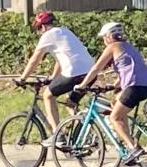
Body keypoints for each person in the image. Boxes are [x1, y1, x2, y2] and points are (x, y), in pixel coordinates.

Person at [76, 20, 147, 165]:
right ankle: (127, 140)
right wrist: (115, 84)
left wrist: (82, 85)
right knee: (115, 103)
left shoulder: (112, 47)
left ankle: (133, 147)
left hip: (135, 86)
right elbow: (128, 68)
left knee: (114, 117)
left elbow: (95, 69)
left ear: (109, 36)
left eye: (104, 38)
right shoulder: (128, 47)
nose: (104, 41)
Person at [16, 10, 94, 140]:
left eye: (39, 29)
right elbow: (61, 58)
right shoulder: (65, 31)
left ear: (43, 26)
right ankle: (80, 134)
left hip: (74, 73)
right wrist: (53, 77)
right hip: (90, 72)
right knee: (71, 103)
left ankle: (57, 135)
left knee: (48, 96)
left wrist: (22, 78)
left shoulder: (47, 35)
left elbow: (35, 60)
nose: (40, 32)